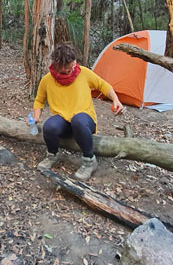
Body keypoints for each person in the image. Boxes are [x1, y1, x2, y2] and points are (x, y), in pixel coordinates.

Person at [31, 43, 123, 181]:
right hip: (64, 121)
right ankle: (52, 155)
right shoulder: (47, 80)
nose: (71, 71)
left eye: (72, 66)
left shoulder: (84, 73)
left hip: (85, 120)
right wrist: (36, 118)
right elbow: (39, 100)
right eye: (66, 69)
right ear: (56, 66)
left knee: (78, 121)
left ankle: (89, 160)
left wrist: (116, 100)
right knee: (49, 126)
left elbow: (103, 86)